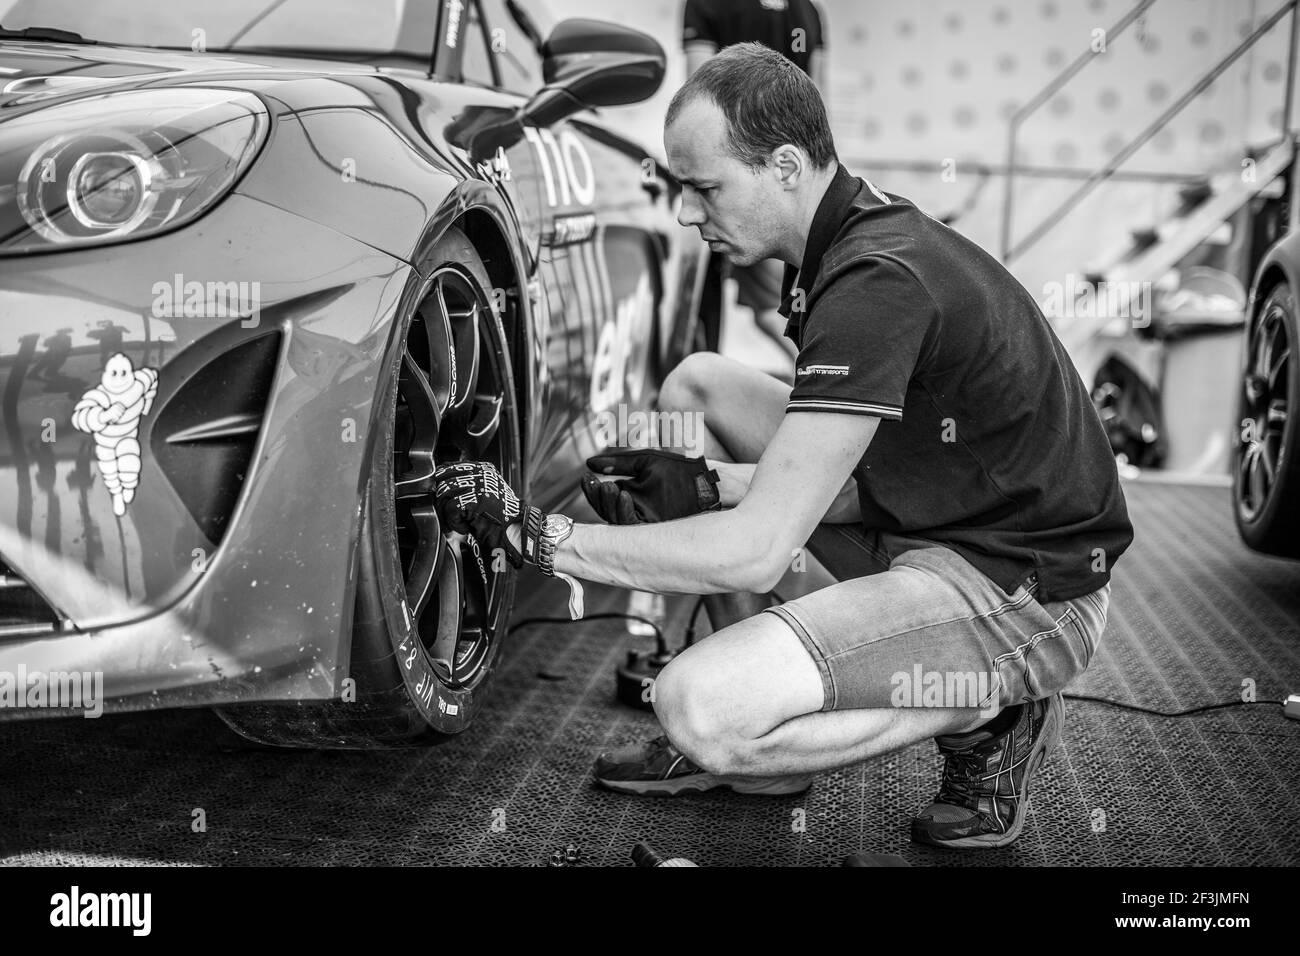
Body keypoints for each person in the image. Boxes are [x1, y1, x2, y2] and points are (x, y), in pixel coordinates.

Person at [433, 43, 1134, 849]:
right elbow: (869, 470)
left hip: (1029, 591)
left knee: (697, 706)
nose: (687, 216)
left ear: (788, 165)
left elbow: (758, 552)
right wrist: (707, 487)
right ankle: (769, 755)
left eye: (704, 189)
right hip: (944, 513)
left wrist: (540, 539)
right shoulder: (839, 239)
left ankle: (989, 710)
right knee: (696, 385)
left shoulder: (877, 282)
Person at [684, 0, 827, 366]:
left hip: (739, 177)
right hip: (796, 173)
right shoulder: (807, 9)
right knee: (789, 304)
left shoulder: (706, 3)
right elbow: (818, 98)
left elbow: (698, 98)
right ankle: (832, 382)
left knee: (769, 309)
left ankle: (829, 381)